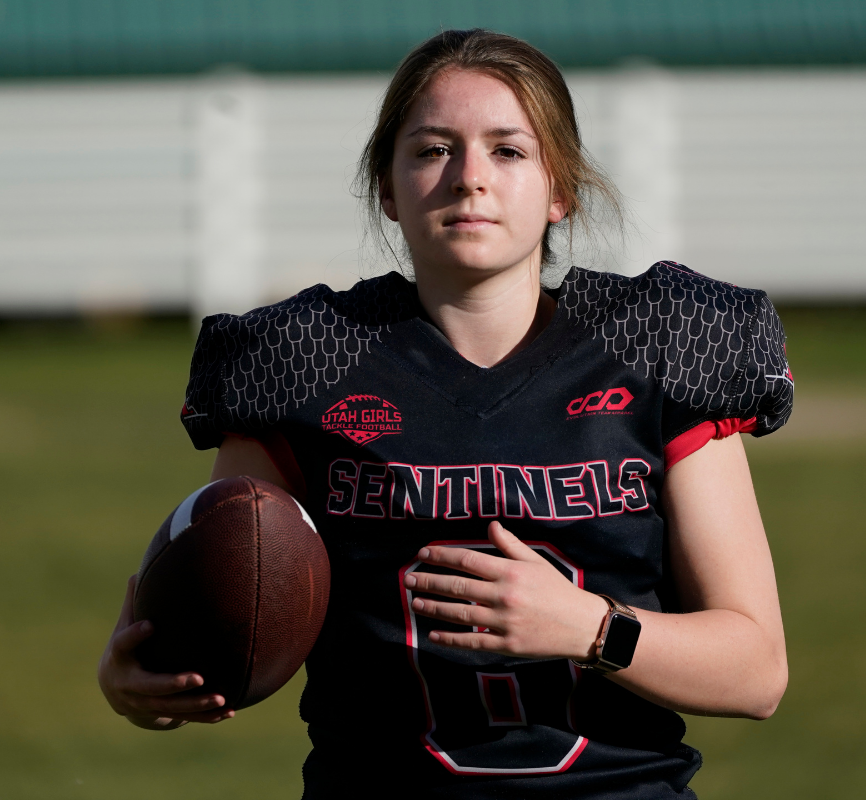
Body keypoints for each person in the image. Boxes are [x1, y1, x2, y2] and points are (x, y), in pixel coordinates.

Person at [99, 29, 792, 799]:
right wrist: (147, 677)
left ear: (560, 187)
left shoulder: (658, 349)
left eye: (508, 151)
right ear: (387, 189)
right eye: (432, 150)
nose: (469, 179)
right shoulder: (302, 364)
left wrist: (590, 627)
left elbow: (756, 672)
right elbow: (232, 595)